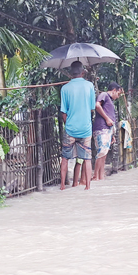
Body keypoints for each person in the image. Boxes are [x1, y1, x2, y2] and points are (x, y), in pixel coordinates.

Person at [59, 61, 96, 190]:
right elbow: (92, 108)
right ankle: (88, 187)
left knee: (65, 157)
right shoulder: (90, 86)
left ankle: (63, 186)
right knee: (87, 158)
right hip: (85, 128)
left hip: (70, 128)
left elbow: (63, 111)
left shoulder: (65, 88)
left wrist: (68, 124)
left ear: (70, 74)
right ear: (83, 72)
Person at [92, 82, 122, 181]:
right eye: (118, 94)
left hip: (107, 130)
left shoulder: (110, 100)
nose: (118, 97)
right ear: (114, 90)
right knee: (101, 152)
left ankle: (101, 177)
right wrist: (107, 119)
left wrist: (111, 134)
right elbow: (97, 105)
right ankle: (96, 175)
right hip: (102, 128)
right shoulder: (104, 95)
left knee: (104, 154)